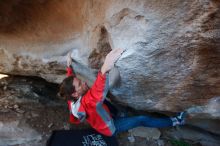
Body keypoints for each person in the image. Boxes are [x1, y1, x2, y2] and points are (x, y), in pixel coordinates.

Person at [59, 48, 186, 136]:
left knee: (109, 104)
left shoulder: (71, 100)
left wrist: (69, 66)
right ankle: (176, 121)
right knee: (141, 119)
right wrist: (105, 68)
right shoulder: (87, 104)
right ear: (75, 94)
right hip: (110, 127)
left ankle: (121, 114)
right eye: (80, 84)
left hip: (102, 116)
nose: (84, 83)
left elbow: (71, 82)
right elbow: (96, 93)